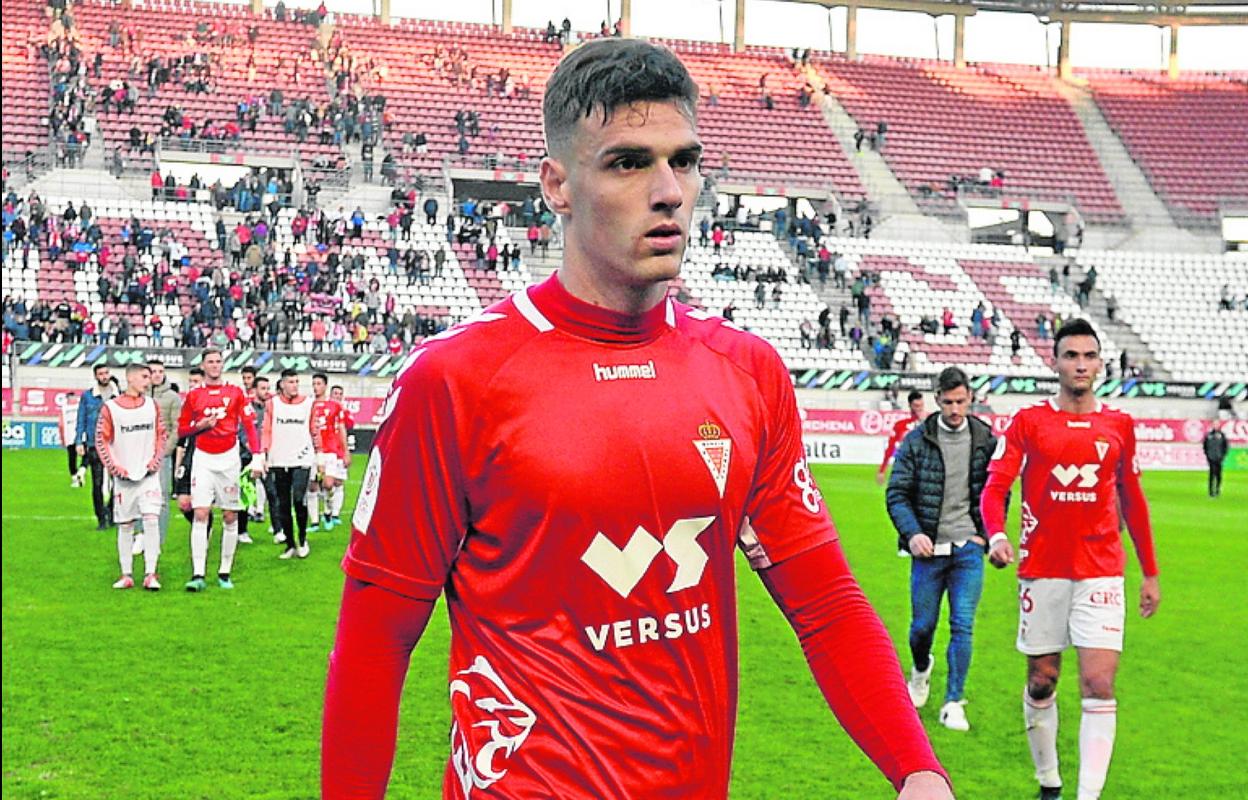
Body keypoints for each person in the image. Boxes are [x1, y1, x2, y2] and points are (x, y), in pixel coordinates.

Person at [321, 38, 951, 800]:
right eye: (628, 163)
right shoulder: (455, 381)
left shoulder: (748, 373)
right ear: (556, 184)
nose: (669, 190)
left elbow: (826, 603)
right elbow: (375, 639)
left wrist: (919, 773)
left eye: (683, 161)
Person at [980, 318, 1160, 800]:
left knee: (1098, 682)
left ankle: (1087, 796)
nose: (1080, 364)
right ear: (1055, 362)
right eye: (1071, 356)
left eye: (1088, 356)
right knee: (1043, 680)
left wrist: (1150, 572)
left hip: (1101, 571)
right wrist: (997, 534)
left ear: (1101, 363)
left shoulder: (1119, 425)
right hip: (1041, 571)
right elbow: (995, 488)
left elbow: (1134, 499)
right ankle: (1049, 781)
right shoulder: (1029, 422)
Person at [886, 368, 998, 732]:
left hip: (968, 549)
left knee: (962, 624)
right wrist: (913, 533)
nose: (954, 409)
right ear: (937, 399)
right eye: (947, 402)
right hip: (928, 551)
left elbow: (997, 491)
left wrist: (987, 533)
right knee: (922, 627)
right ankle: (921, 669)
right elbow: (897, 494)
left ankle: (954, 701)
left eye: (960, 401)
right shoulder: (917, 441)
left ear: (971, 398)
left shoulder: (985, 438)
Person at [176, 349, 261, 591]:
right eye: (210, 362)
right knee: (200, 513)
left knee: (230, 515)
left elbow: (249, 425)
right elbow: (182, 430)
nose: (214, 365)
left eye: (218, 361)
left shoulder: (235, 393)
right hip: (203, 458)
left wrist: (257, 456)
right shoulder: (194, 396)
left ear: (223, 365)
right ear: (203, 366)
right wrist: (198, 425)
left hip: (229, 459)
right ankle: (198, 574)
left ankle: (224, 572)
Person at [95, 363, 167, 590]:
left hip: (148, 475)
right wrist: (114, 467)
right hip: (124, 478)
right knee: (125, 525)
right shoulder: (110, 408)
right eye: (145, 376)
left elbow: (161, 435)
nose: (149, 380)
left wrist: (156, 461)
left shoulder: (153, 406)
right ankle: (126, 574)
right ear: (131, 379)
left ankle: (150, 573)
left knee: (151, 520)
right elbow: (102, 440)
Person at [262, 369, 317, 559]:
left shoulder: (309, 403)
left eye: (296, 381)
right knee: (282, 503)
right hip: (279, 459)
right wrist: (264, 454)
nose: (294, 385)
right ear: (282, 384)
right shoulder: (272, 404)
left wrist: (320, 456)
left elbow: (314, 430)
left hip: (302, 458)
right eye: (291, 382)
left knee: (299, 499)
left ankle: (302, 538)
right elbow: (267, 430)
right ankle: (290, 544)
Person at [76, 364, 119, 530]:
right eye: (101, 374)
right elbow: (81, 419)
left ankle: (112, 512)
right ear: (96, 376)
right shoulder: (88, 396)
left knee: (118, 482)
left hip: (116, 444)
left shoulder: (118, 395)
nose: (104, 376)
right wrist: (79, 441)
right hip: (95, 444)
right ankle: (101, 518)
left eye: (106, 372)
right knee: (97, 483)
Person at [309, 372, 349, 531]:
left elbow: (341, 428)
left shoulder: (335, 406)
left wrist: (345, 451)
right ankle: (314, 522)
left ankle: (327, 512)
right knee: (312, 486)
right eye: (314, 384)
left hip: (330, 449)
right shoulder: (309, 405)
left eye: (318, 384)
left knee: (328, 483)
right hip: (313, 450)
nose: (315, 387)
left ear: (325, 386)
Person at [148, 359, 182, 546]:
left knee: (161, 498)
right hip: (140, 455)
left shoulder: (172, 397)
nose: (157, 374)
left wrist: (165, 451)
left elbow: (176, 428)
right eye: (153, 371)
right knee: (138, 496)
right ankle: (140, 535)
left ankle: (158, 539)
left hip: (162, 456)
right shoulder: (138, 396)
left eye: (160, 371)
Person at [877, 390, 926, 486]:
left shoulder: (929, 424)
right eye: (916, 406)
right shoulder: (901, 425)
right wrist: (882, 470)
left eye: (921, 406)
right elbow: (891, 447)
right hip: (905, 469)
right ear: (910, 406)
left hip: (923, 470)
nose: (919, 409)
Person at [59, 392, 85, 487]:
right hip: (81, 436)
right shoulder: (80, 406)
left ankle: (75, 478)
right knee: (86, 455)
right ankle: (82, 470)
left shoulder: (64, 409)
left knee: (72, 458)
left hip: (69, 436)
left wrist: (62, 438)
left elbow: (61, 424)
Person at [1202, 420, 1229, 498]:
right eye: (1214, 424)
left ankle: (1217, 490)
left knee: (1219, 475)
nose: (1215, 426)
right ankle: (1211, 491)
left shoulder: (1222, 435)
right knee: (1211, 475)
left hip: (1219, 458)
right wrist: (1208, 455)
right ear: (1212, 425)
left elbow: (1225, 446)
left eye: (1217, 424)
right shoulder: (1209, 435)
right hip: (1211, 458)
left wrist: (1223, 456)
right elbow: (1205, 446)